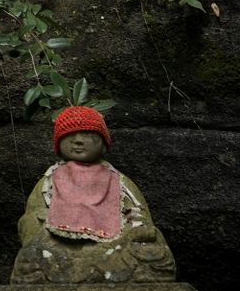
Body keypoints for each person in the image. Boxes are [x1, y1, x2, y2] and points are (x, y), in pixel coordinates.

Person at [13, 105, 175, 282]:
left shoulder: (118, 179)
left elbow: (138, 212)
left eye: (87, 134)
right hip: (60, 246)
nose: (78, 141)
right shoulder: (49, 180)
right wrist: (40, 223)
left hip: (112, 246)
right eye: (70, 135)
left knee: (153, 248)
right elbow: (33, 214)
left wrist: (137, 228)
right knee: (32, 249)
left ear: (103, 143)